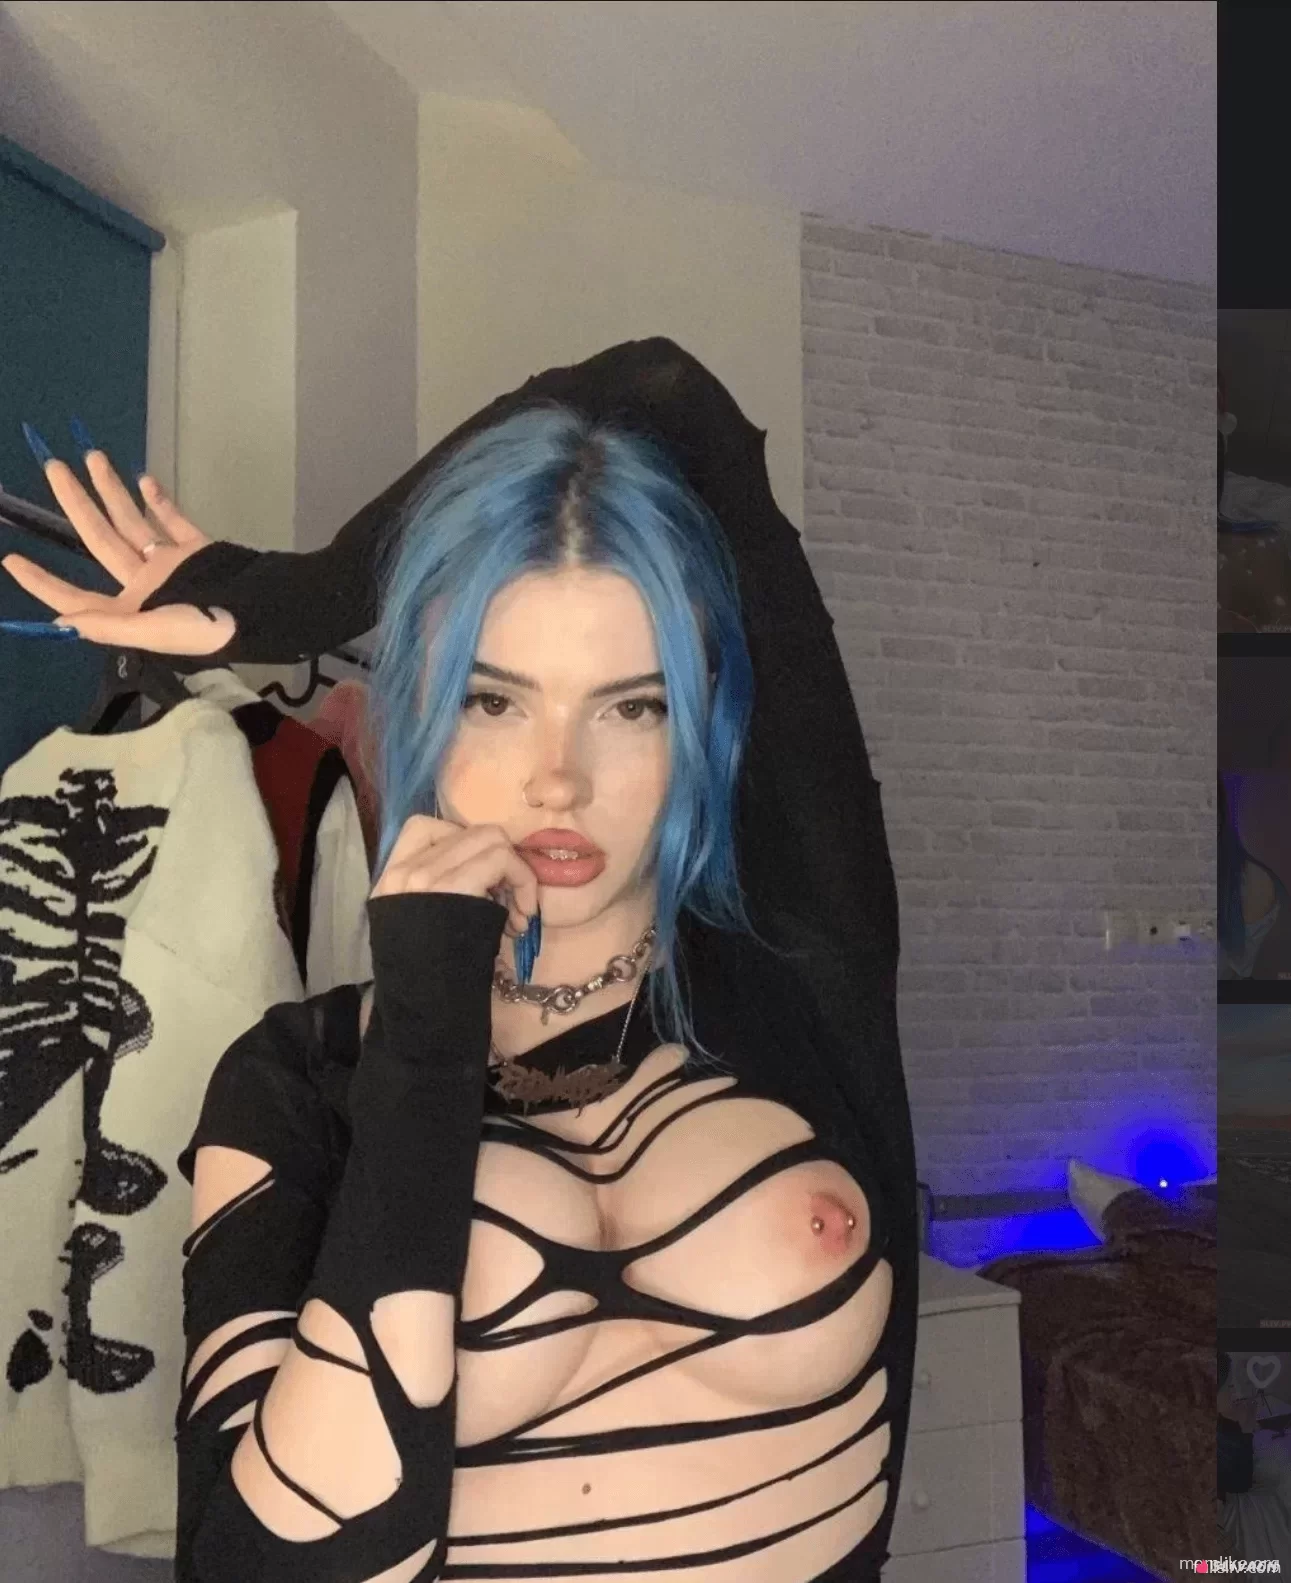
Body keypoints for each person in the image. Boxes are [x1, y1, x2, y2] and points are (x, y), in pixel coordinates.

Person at [2, 338, 916, 1581]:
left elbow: (666, 389)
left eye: (632, 705)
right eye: (496, 700)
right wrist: (426, 1035)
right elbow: (259, 1565)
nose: (558, 777)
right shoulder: (297, 1078)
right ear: (424, 713)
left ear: (701, 722)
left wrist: (307, 592)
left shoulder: (799, 963)